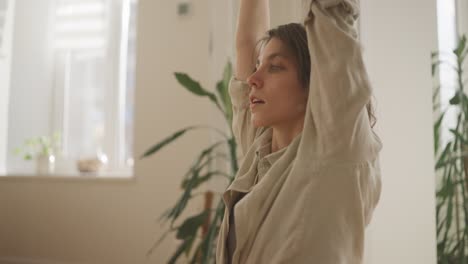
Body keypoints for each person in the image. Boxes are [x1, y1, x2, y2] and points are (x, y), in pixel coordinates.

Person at [216, 0, 383, 263]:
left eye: (275, 67)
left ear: (316, 84)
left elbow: (334, 22)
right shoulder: (261, 146)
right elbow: (247, 43)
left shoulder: (336, 152)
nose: (253, 79)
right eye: (258, 65)